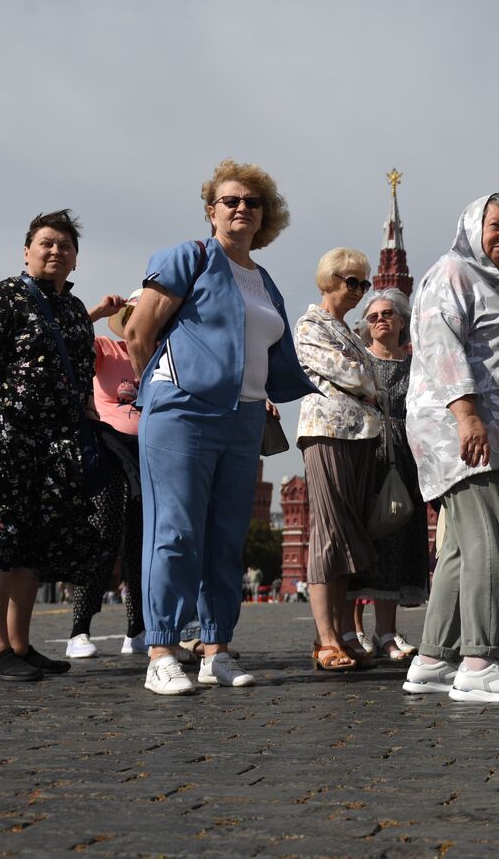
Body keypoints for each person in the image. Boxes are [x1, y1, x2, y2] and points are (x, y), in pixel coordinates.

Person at [126, 160, 316, 695]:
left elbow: (262, 348)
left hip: (244, 416)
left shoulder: (263, 280)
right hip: (182, 411)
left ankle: (217, 650)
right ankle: (161, 650)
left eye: (251, 203)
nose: (241, 208)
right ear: (211, 210)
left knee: (227, 538)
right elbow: (140, 331)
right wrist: (163, 387)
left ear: (264, 217)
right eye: (230, 200)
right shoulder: (189, 257)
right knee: (176, 530)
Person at [402, 193, 499, 704]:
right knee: (490, 540)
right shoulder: (453, 272)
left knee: (460, 548)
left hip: (487, 431)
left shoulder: (489, 285)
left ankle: (434, 659)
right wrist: (467, 416)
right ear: (472, 225)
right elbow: (441, 344)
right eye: (497, 225)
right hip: (467, 430)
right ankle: (480, 660)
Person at [0, 209, 98, 683]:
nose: (56, 251)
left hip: (57, 444)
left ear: (75, 260)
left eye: (66, 246)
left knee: (32, 546)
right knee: (1, 538)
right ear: (27, 250)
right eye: (47, 243)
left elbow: (81, 377)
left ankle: (18, 644)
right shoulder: (1, 298)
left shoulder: (74, 310)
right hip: (9, 438)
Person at [294, 248, 382, 672]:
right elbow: (354, 374)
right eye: (352, 282)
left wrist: (369, 384)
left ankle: (337, 633)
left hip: (361, 435)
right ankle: (327, 638)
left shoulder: (348, 329)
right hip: (327, 433)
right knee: (329, 530)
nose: (360, 291)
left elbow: (369, 377)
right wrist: (369, 384)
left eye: (364, 284)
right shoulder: (311, 324)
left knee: (348, 533)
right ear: (328, 280)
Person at [66, 291, 150, 660]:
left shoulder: (158, 357)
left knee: (140, 543)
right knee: (104, 533)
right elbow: (68, 335)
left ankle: (137, 629)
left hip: (146, 456)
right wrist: (99, 312)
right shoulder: (105, 347)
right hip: (108, 451)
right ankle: (79, 629)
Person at [355, 288, 429, 661]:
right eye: (373, 316)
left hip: (406, 462)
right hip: (367, 459)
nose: (381, 320)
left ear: (402, 320)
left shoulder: (417, 365)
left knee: (396, 542)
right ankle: (352, 633)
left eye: (388, 314)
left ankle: (385, 632)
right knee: (364, 544)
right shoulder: (359, 361)